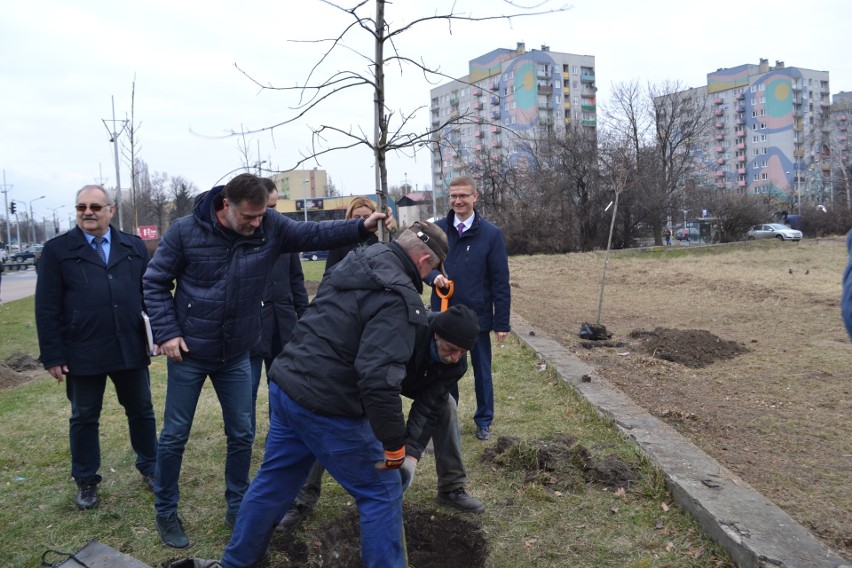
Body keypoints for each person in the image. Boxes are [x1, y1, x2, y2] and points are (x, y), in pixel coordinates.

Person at [143, 173, 392, 549]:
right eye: (249, 217)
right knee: (175, 435)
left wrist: (361, 225)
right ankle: (165, 509)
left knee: (242, 434)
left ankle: (237, 504)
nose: (257, 223)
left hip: (238, 350)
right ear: (226, 206)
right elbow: (155, 281)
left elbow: (314, 236)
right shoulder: (184, 231)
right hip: (189, 351)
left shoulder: (269, 225)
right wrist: (167, 332)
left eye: (262, 216)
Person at [220, 221, 448, 568]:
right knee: (381, 491)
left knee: (273, 481)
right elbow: (377, 378)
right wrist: (394, 446)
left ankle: (237, 562)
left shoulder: (358, 260)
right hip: (326, 404)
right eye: (433, 270)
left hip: (287, 384)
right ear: (425, 263)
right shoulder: (401, 298)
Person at [278, 304, 485, 531]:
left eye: (462, 352)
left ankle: (451, 487)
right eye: (451, 348)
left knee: (446, 406)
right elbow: (379, 387)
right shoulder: (407, 332)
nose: (455, 357)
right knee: (331, 413)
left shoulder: (456, 363)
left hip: (415, 380)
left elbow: (429, 404)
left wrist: (410, 456)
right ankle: (302, 499)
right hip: (373, 377)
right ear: (437, 334)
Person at [34, 185, 158, 510]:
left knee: (142, 411)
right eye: (81, 207)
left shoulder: (133, 246)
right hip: (82, 351)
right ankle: (86, 480)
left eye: (95, 207)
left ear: (111, 210)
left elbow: (148, 294)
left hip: (129, 347)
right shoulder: (57, 250)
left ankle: (152, 467)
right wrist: (53, 355)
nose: (87, 212)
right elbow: (46, 307)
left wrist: (153, 337)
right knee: (85, 417)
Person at [429, 176, 511, 441]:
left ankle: (483, 420)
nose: (457, 201)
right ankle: (447, 419)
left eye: (463, 195)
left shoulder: (491, 234)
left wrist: (502, 322)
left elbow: (500, 281)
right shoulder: (437, 231)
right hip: (444, 316)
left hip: (478, 318)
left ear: (475, 197)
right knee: (445, 372)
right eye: (453, 196)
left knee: (481, 372)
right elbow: (422, 264)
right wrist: (433, 279)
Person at [249, 179, 309, 436]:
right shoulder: (241, 235)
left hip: (284, 323)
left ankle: (280, 431)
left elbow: (296, 279)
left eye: (275, 206)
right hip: (251, 327)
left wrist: (304, 316)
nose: (271, 213)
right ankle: (244, 434)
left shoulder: (284, 234)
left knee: (283, 384)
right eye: (267, 207)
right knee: (247, 387)